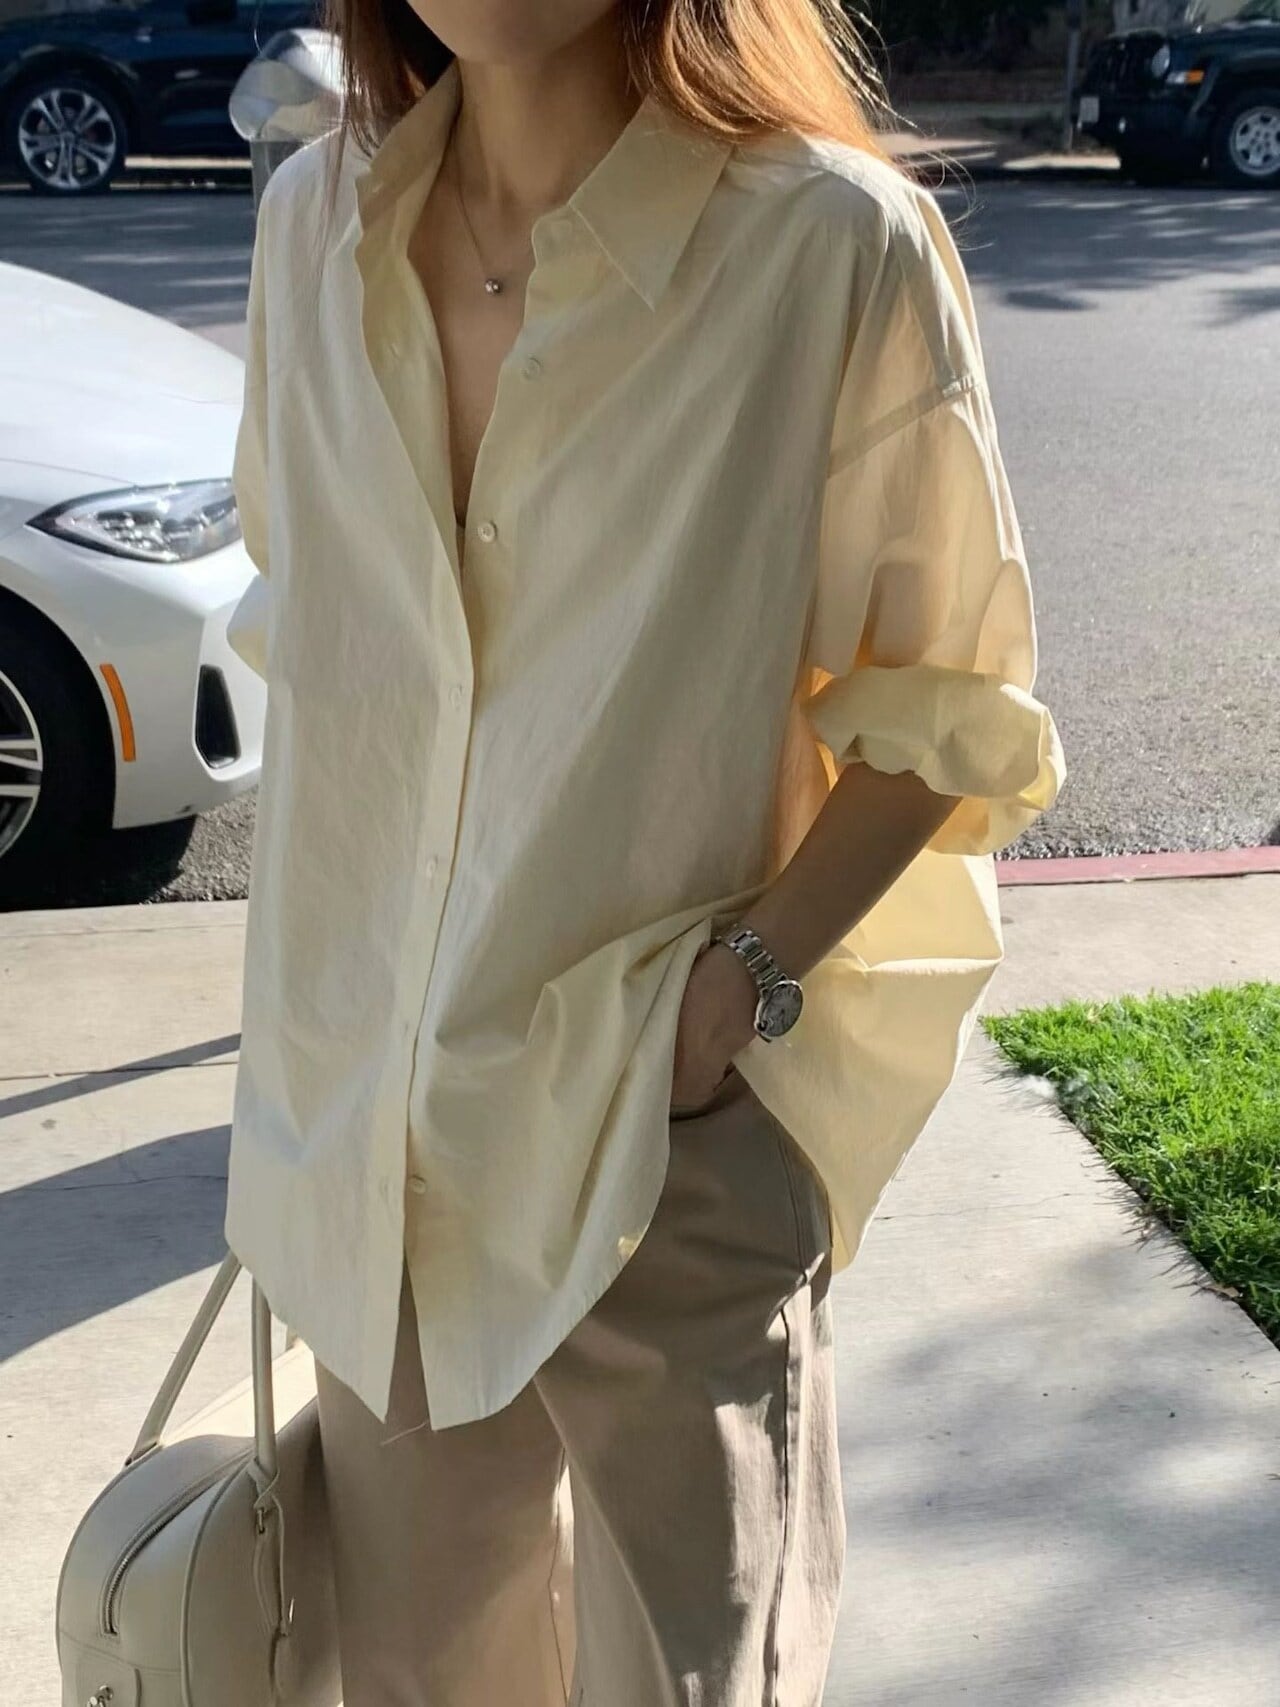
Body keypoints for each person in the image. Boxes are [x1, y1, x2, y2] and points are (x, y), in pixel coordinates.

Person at [224, 0, 1067, 1701]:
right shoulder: (314, 222)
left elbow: (952, 707)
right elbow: (329, 665)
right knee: (417, 1682)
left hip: (657, 1149)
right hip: (376, 1161)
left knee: (695, 1683)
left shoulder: (827, 246)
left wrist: (735, 994)